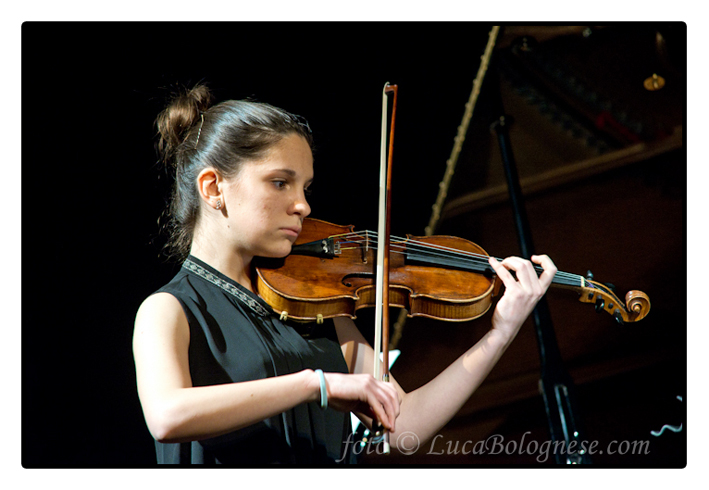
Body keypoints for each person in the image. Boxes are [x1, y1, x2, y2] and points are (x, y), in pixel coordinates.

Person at [133, 83, 557, 465]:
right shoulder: (169, 310)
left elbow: (403, 428)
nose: (303, 205)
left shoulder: (317, 302)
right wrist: (316, 385)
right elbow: (167, 415)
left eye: (305, 188)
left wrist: (500, 333)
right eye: (281, 183)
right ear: (213, 188)